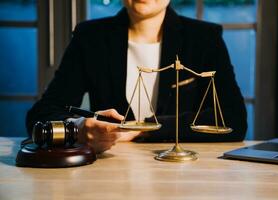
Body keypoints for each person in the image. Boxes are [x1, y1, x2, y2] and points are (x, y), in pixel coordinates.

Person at [26, 0, 247, 154]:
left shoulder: (204, 38)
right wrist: (78, 128)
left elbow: (234, 119)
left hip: (185, 175)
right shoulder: (90, 38)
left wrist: (141, 128)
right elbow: (41, 114)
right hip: (111, 174)